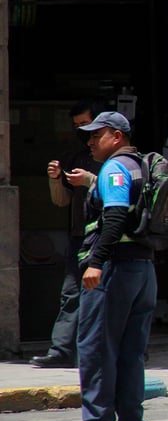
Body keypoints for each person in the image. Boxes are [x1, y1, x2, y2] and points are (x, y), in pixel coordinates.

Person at [55, 112, 157, 421]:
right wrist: (90, 181)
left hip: (114, 271)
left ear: (116, 136)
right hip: (143, 271)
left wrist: (95, 262)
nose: (89, 142)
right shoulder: (137, 165)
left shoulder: (115, 168)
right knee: (131, 355)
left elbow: (114, 215)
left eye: (95, 136)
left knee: (97, 350)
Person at [30, 101, 103, 369]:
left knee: (108, 295)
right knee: (71, 294)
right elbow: (62, 200)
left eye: (87, 126)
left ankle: (116, 348)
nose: (83, 133)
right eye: (78, 127)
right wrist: (55, 178)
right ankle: (62, 350)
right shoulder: (75, 156)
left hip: (107, 238)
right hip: (79, 237)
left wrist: (90, 181)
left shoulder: (117, 158)